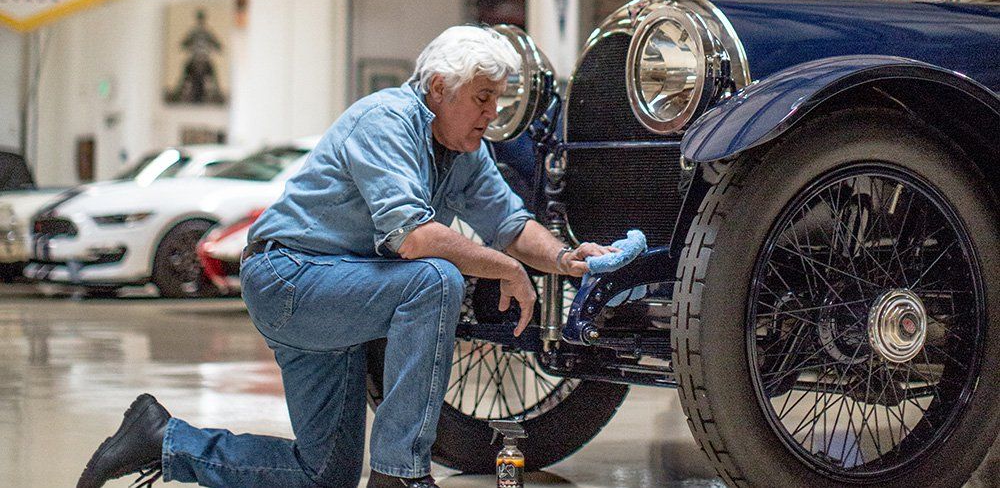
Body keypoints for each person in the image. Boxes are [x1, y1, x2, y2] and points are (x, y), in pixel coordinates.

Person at [77, 26, 615, 488]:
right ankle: (399, 473)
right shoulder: (385, 121)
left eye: (497, 99)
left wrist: (565, 259)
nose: (492, 113)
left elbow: (511, 223)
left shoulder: (464, 153)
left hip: (342, 289)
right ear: (437, 89)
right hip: (291, 279)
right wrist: (504, 266)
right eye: (481, 98)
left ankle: (160, 439)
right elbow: (414, 238)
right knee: (434, 279)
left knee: (324, 475)